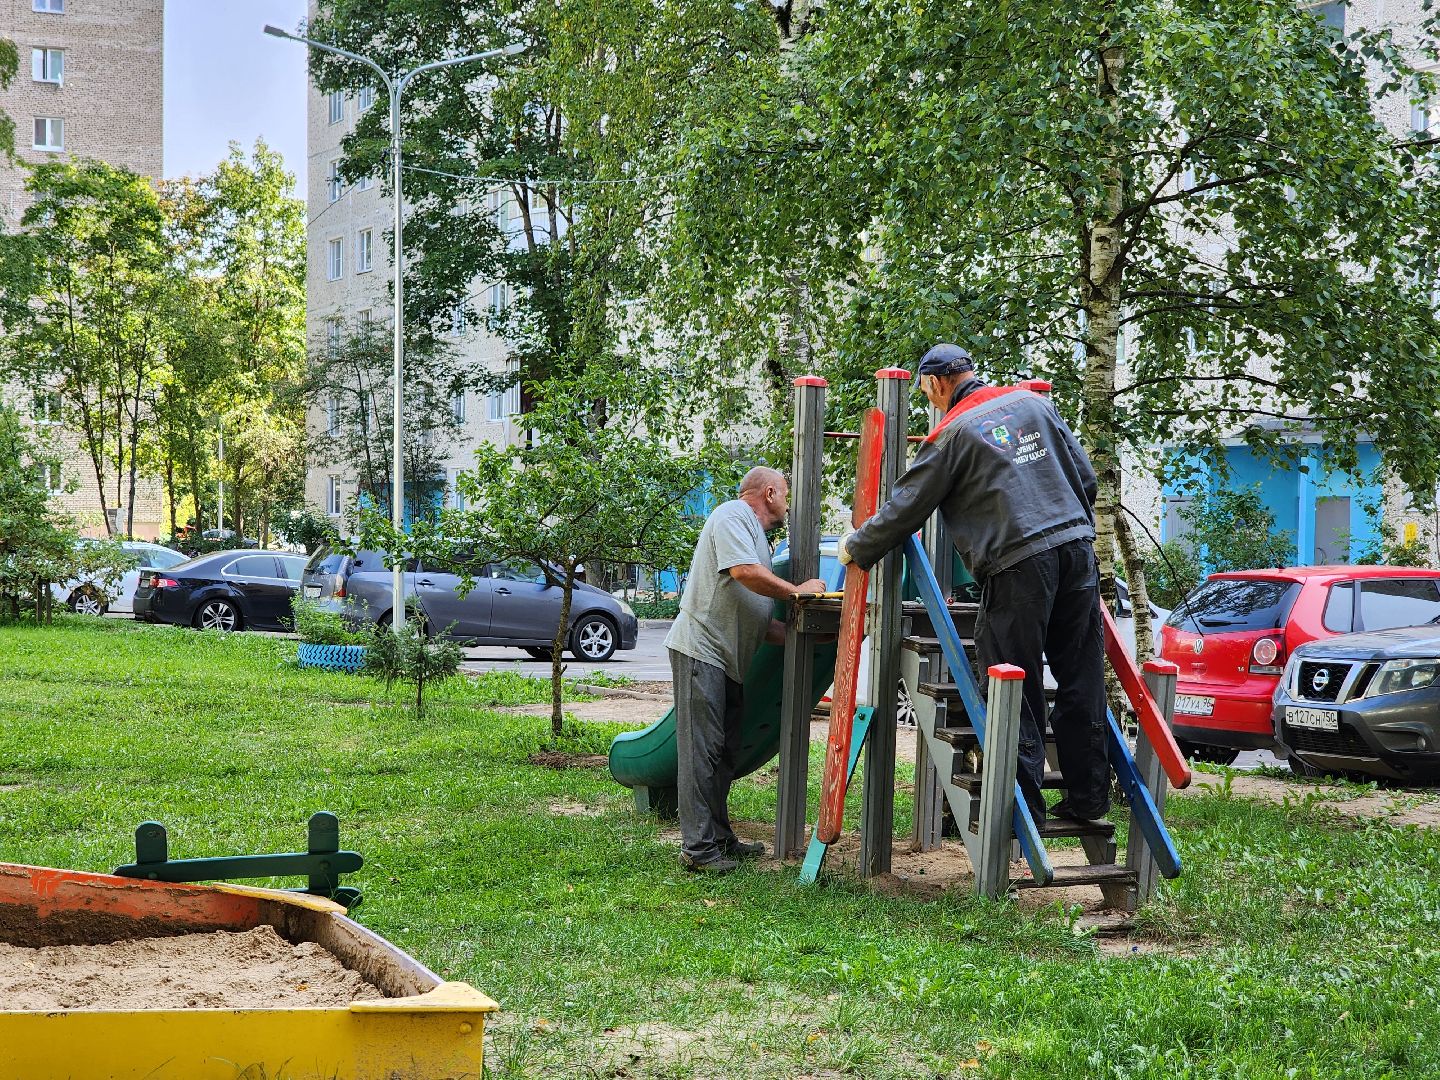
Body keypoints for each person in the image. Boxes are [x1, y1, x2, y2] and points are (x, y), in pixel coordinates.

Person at [839, 344, 1110, 825]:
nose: (931, 402)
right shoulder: (1034, 404)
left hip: (1018, 562)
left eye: (928, 394)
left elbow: (905, 508)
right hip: (1076, 549)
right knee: (1081, 673)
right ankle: (1090, 796)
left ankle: (1023, 807)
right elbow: (1085, 478)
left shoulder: (951, 434)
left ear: (939, 383)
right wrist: (1072, 531)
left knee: (1010, 679)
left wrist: (858, 546)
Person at [665, 466, 828, 873]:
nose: (788, 503)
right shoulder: (731, 515)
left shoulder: (757, 538)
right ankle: (697, 850)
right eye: (786, 494)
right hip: (701, 651)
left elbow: (761, 623)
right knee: (702, 751)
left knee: (723, 753)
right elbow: (744, 574)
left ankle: (719, 839)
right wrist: (796, 591)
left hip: (727, 660)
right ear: (769, 492)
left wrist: (822, 636)